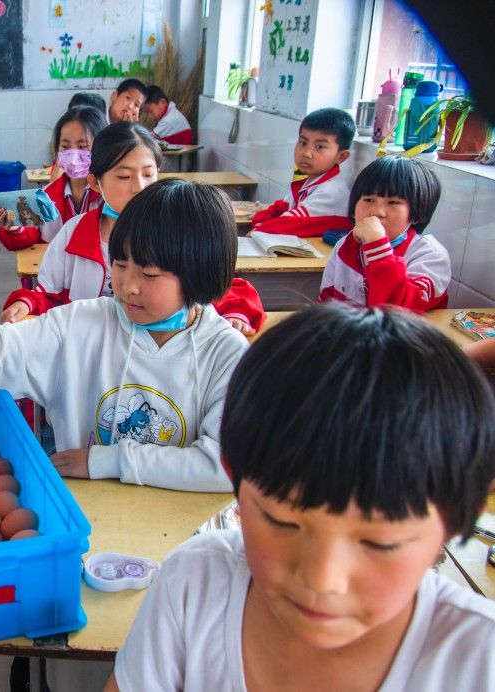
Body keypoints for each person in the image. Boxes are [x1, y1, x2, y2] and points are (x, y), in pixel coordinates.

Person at [108, 304, 495, 691]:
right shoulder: (193, 586)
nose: (322, 579)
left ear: (458, 517)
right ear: (234, 477)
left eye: (380, 543)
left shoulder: (479, 660)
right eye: (282, 522)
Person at [0, 179, 251, 508]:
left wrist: (106, 460)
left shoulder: (226, 354)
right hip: (83, 517)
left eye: (149, 274)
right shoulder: (82, 324)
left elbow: (224, 465)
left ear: (200, 274)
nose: (128, 285)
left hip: (175, 532)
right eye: (120, 264)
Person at [1, 122, 265, 335]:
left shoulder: (175, 228)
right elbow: (49, 294)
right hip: (93, 354)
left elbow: (218, 285)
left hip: (161, 355)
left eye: (148, 174)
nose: (139, 186)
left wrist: (236, 315)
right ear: (95, 182)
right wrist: (26, 303)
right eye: (124, 176)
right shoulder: (74, 233)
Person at [318, 155, 450, 312]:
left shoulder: (429, 255)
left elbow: (397, 312)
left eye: (393, 202)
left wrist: (377, 247)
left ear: (415, 213)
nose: (376, 212)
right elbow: (326, 302)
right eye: (368, 200)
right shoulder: (344, 245)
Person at [0, 106, 107, 251]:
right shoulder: (46, 195)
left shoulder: (109, 197)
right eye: (65, 146)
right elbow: (28, 238)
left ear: (101, 148)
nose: (73, 156)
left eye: (83, 146)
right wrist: (15, 228)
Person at [251, 107, 356, 237]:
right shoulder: (309, 181)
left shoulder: (331, 193)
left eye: (319, 147)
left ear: (341, 157)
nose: (306, 153)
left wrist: (260, 228)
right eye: (303, 142)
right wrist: (259, 224)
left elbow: (286, 224)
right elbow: (278, 208)